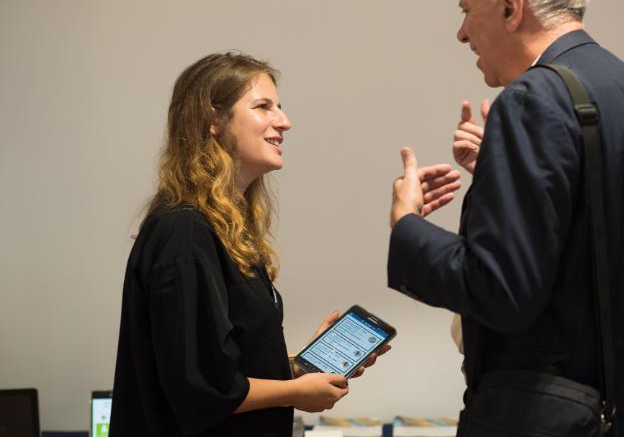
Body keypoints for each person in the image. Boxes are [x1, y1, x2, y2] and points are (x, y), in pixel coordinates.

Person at [388, 0, 624, 435]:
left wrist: (407, 225)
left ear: (510, 7)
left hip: (561, 413)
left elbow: (502, 290)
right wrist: (498, 177)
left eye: (466, 11)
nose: (460, 34)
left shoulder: (532, 98)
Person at [109, 52, 413, 437]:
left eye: (280, 107)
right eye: (263, 107)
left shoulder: (221, 228)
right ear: (213, 120)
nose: (284, 122)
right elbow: (201, 391)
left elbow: (224, 367)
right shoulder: (183, 231)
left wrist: (300, 366)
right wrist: (294, 392)